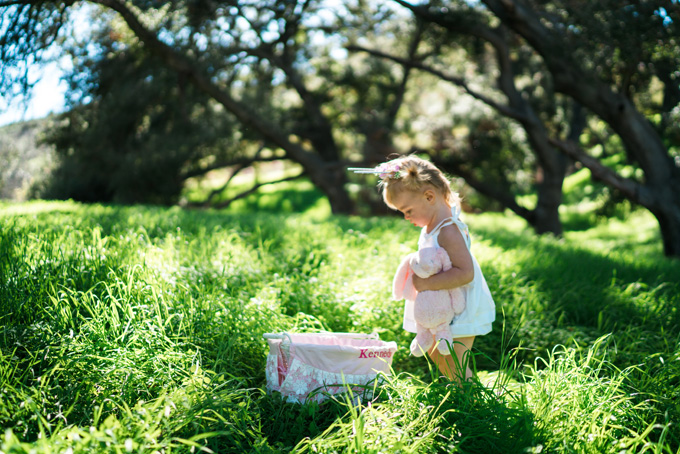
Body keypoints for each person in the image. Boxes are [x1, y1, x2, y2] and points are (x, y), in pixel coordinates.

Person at [354, 156, 495, 382]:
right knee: (437, 352)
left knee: (454, 360)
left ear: (429, 196)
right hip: (440, 307)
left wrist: (425, 283)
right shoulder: (432, 227)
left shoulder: (448, 230)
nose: (406, 217)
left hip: (459, 306)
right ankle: (466, 393)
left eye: (407, 210)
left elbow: (465, 272)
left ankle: (473, 401)